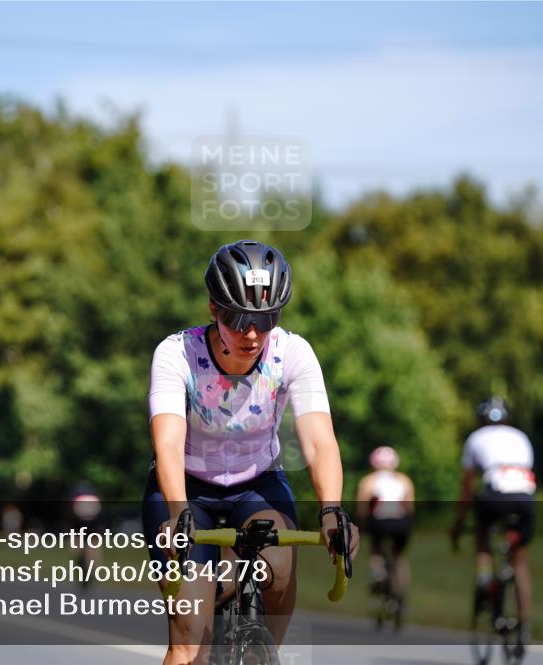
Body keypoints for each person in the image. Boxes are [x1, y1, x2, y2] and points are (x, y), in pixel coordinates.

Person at [142, 239, 359, 665]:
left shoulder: (292, 352)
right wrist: (176, 511)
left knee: (278, 569)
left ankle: (261, 653)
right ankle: (211, 593)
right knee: (190, 646)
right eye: (239, 318)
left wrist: (332, 509)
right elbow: (167, 439)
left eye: (266, 318)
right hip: (185, 487)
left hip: (256, 483)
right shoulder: (176, 354)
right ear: (213, 309)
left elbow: (318, 439)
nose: (253, 333)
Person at [451, 396, 536, 654]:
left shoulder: (476, 438)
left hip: (494, 496)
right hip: (524, 498)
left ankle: (485, 573)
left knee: (483, 539)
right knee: (519, 562)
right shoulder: (521, 437)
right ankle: (523, 625)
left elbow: (467, 487)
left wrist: (459, 522)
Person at [356, 446, 414, 615]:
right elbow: (410, 507)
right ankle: (401, 597)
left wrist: (361, 525)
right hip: (400, 522)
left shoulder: (368, 480)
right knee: (399, 557)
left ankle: (377, 572)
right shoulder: (404, 480)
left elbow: (363, 507)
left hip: (379, 522)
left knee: (376, 550)